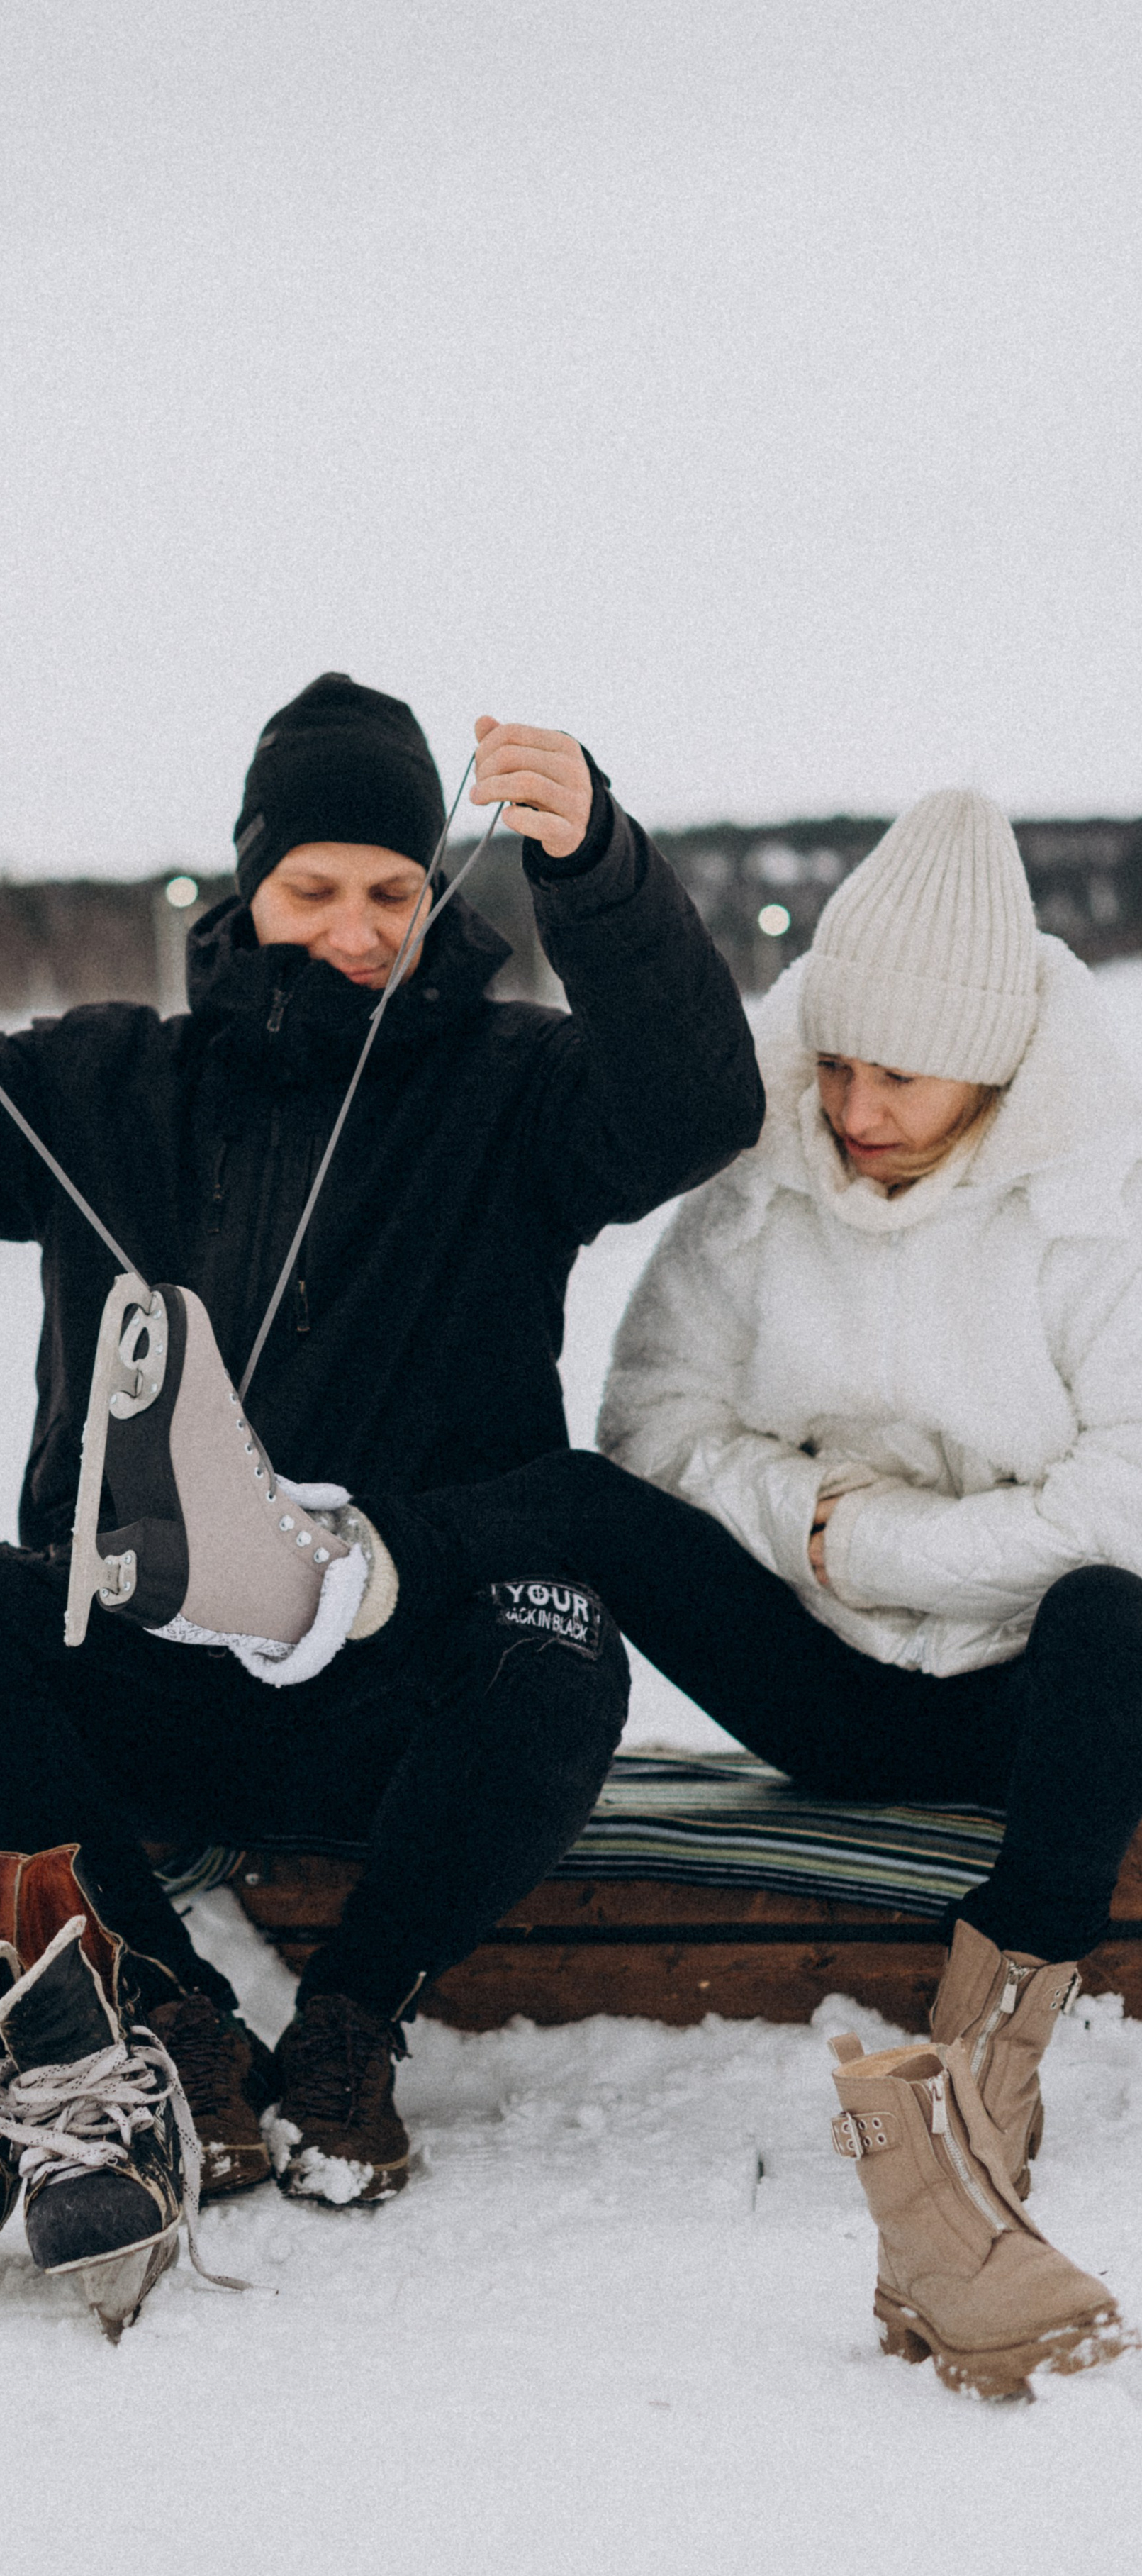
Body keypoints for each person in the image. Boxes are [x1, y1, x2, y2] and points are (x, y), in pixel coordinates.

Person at [0, 673, 762, 2311]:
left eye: (392, 893)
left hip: (392, 1702)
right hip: (137, 1685)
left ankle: (349, 2024)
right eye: (313, 887)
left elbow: (697, 1102)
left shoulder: (515, 1088)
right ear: (247, 885)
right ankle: (168, 2012)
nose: (355, 928)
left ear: (435, 898)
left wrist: (596, 867)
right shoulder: (106, 1078)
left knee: (563, 1635)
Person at [386, 788, 1141, 2394]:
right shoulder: (769, 1167)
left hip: (1034, 1701)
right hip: (818, 1679)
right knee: (575, 1499)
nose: (853, 1105)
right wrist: (811, 1528)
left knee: (1118, 1614)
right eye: (837, 1062)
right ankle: (338, 1569)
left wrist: (885, 1545)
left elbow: (1127, 1500)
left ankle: (978, 2091)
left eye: (899, 1076)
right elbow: (652, 1425)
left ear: (995, 1068)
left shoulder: (1103, 1201)